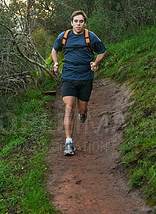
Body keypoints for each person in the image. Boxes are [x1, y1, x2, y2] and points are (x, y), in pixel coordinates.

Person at [51, 10, 107, 156]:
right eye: (76, 21)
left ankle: (83, 113)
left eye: (81, 21)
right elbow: (54, 50)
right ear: (71, 23)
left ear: (85, 23)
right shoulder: (64, 36)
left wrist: (96, 63)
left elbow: (102, 51)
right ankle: (68, 142)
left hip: (85, 77)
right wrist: (56, 63)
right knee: (69, 108)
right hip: (68, 76)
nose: (78, 24)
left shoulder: (90, 37)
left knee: (81, 109)